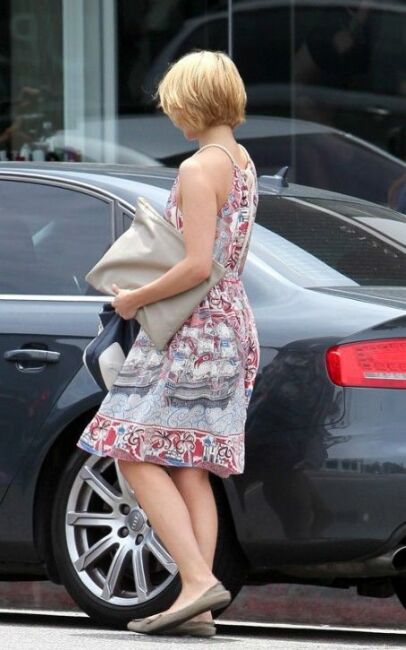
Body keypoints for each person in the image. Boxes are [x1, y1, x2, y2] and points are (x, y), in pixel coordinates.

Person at [76, 49, 260, 637]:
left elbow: (197, 264)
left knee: (126, 445)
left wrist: (133, 299)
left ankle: (198, 582)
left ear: (193, 101)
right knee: (191, 467)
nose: (170, 113)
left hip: (191, 330)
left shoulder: (199, 169)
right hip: (230, 326)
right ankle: (197, 605)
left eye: (174, 102)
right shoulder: (243, 162)